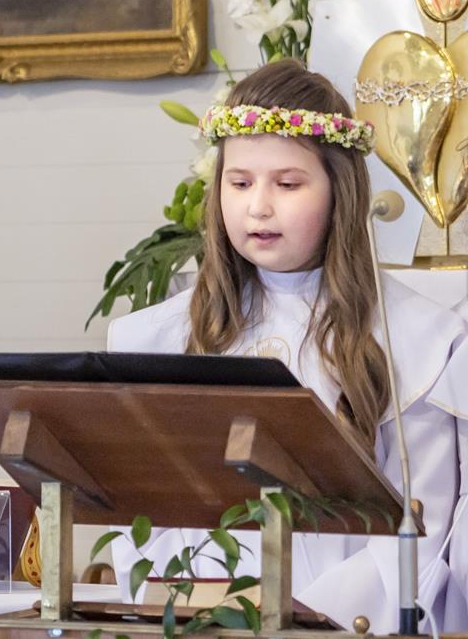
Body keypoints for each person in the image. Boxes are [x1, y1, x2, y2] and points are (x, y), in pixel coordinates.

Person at [106, 59, 466, 632]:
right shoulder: (158, 337)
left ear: (340, 191)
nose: (258, 206)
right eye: (240, 182)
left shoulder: (418, 339)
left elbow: (421, 529)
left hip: (346, 625)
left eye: (288, 184)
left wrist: (301, 621)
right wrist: (203, 613)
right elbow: (143, 518)